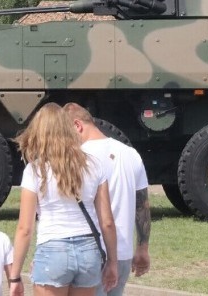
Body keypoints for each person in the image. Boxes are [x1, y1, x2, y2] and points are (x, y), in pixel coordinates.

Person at [10, 103, 118, 296]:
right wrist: (112, 262)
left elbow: (24, 229)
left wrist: (14, 276)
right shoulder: (94, 166)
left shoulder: (35, 170)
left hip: (53, 248)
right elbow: (107, 222)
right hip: (89, 251)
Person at [63, 103, 152, 296]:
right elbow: (142, 205)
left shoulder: (77, 158)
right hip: (123, 253)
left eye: (64, 132)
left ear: (77, 126)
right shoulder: (130, 154)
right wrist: (142, 247)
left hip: (90, 252)